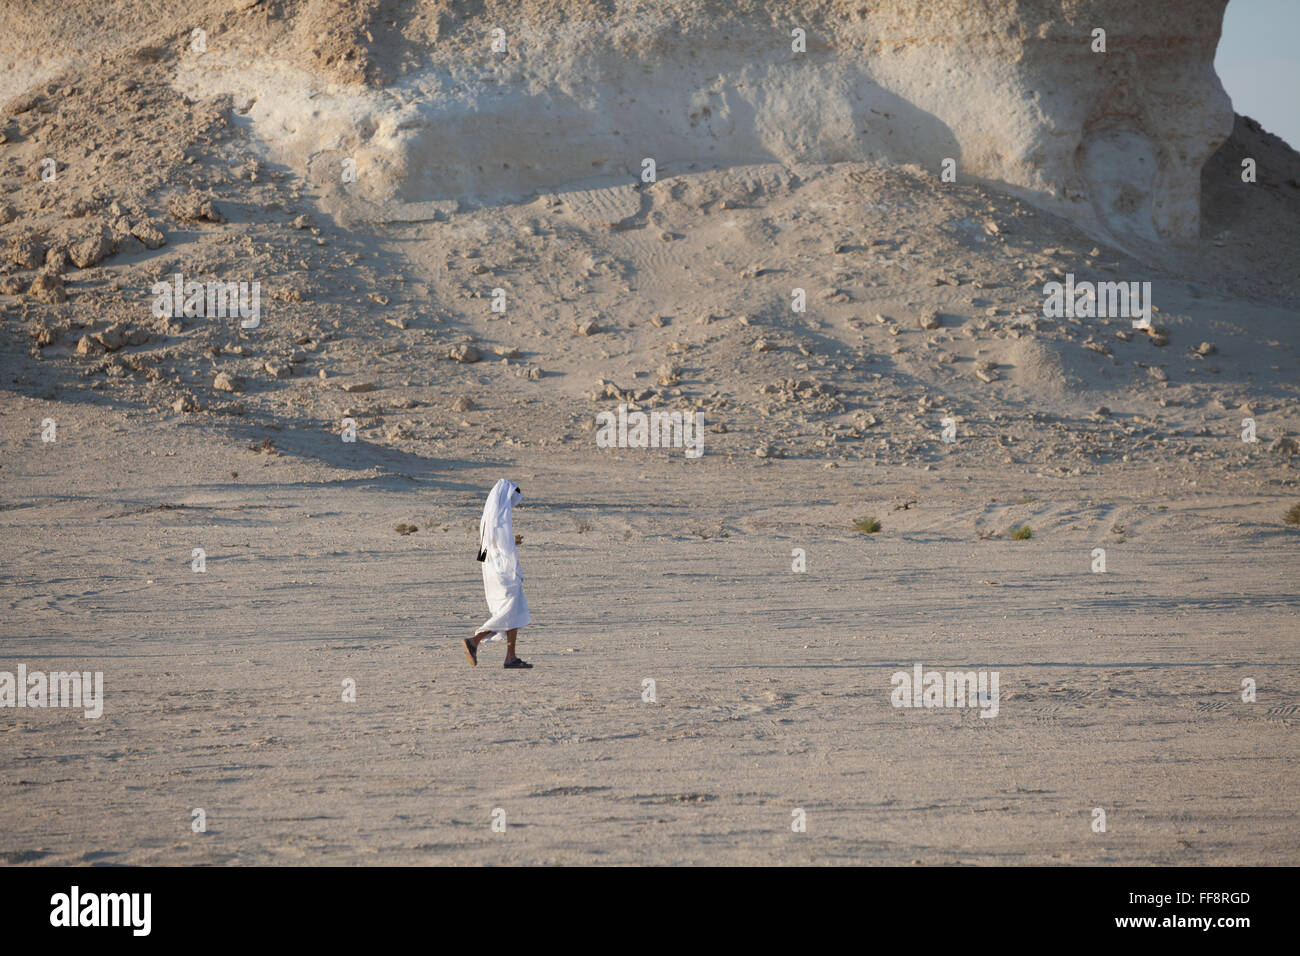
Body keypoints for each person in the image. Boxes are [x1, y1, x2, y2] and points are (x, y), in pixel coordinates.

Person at [464, 479, 532, 669]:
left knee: (513, 611)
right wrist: (516, 571)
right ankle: (474, 640)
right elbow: (506, 548)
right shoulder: (500, 518)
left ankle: (510, 657)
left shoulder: (489, 517)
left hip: (492, 571)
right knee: (509, 610)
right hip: (504, 571)